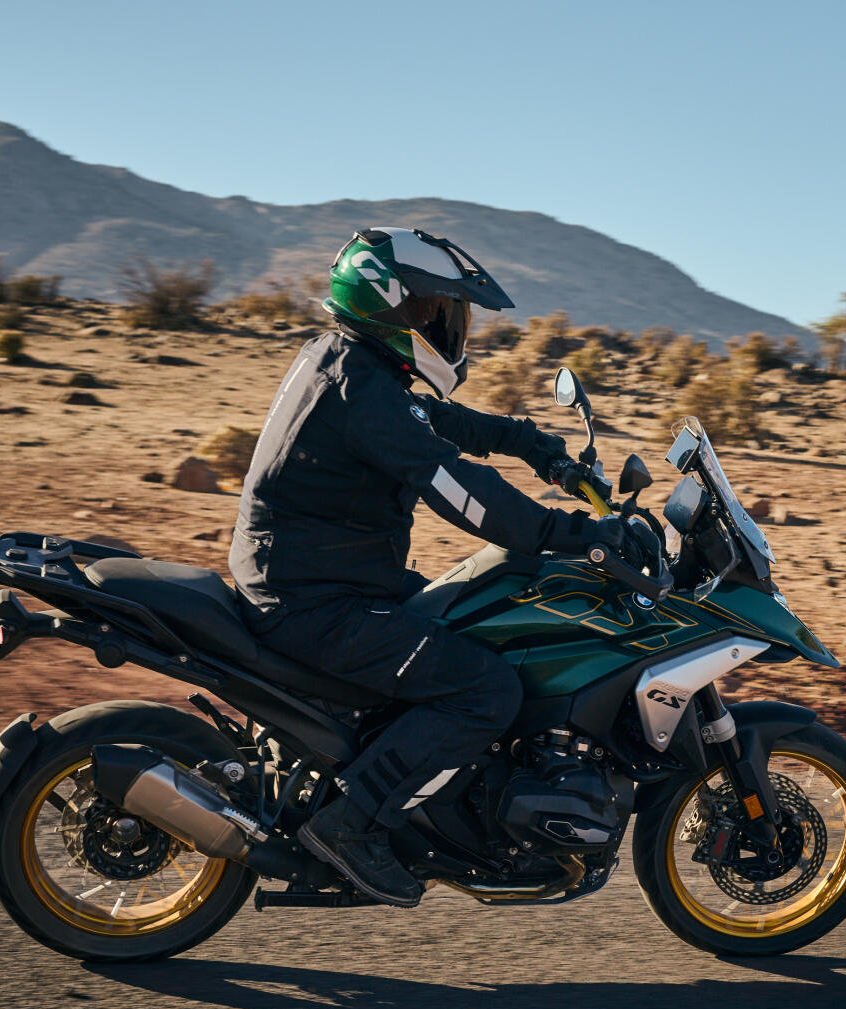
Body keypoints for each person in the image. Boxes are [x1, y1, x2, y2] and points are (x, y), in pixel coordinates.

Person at [230, 226, 618, 907]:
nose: (450, 328)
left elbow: (437, 422)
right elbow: (461, 493)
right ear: (396, 306)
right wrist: (575, 536)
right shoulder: (361, 388)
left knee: (480, 621)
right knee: (484, 690)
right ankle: (351, 826)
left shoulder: (351, 364)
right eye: (439, 311)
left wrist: (531, 444)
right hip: (315, 602)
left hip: (321, 579)